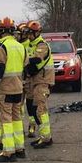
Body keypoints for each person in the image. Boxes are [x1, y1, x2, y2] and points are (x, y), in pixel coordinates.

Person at [0, 17, 26, 162]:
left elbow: (0, 68)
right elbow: (25, 66)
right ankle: (20, 148)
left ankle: (8, 152)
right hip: (18, 88)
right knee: (17, 118)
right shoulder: (20, 46)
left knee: (6, 119)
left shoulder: (1, 46)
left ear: (2, 31)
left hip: (5, 89)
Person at [25, 20, 54, 148]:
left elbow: (37, 59)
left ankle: (46, 138)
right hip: (35, 81)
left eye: (31, 33)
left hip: (42, 80)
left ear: (37, 33)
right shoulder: (31, 45)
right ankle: (43, 136)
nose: (29, 35)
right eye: (28, 32)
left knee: (41, 109)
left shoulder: (42, 45)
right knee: (32, 108)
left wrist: (24, 61)